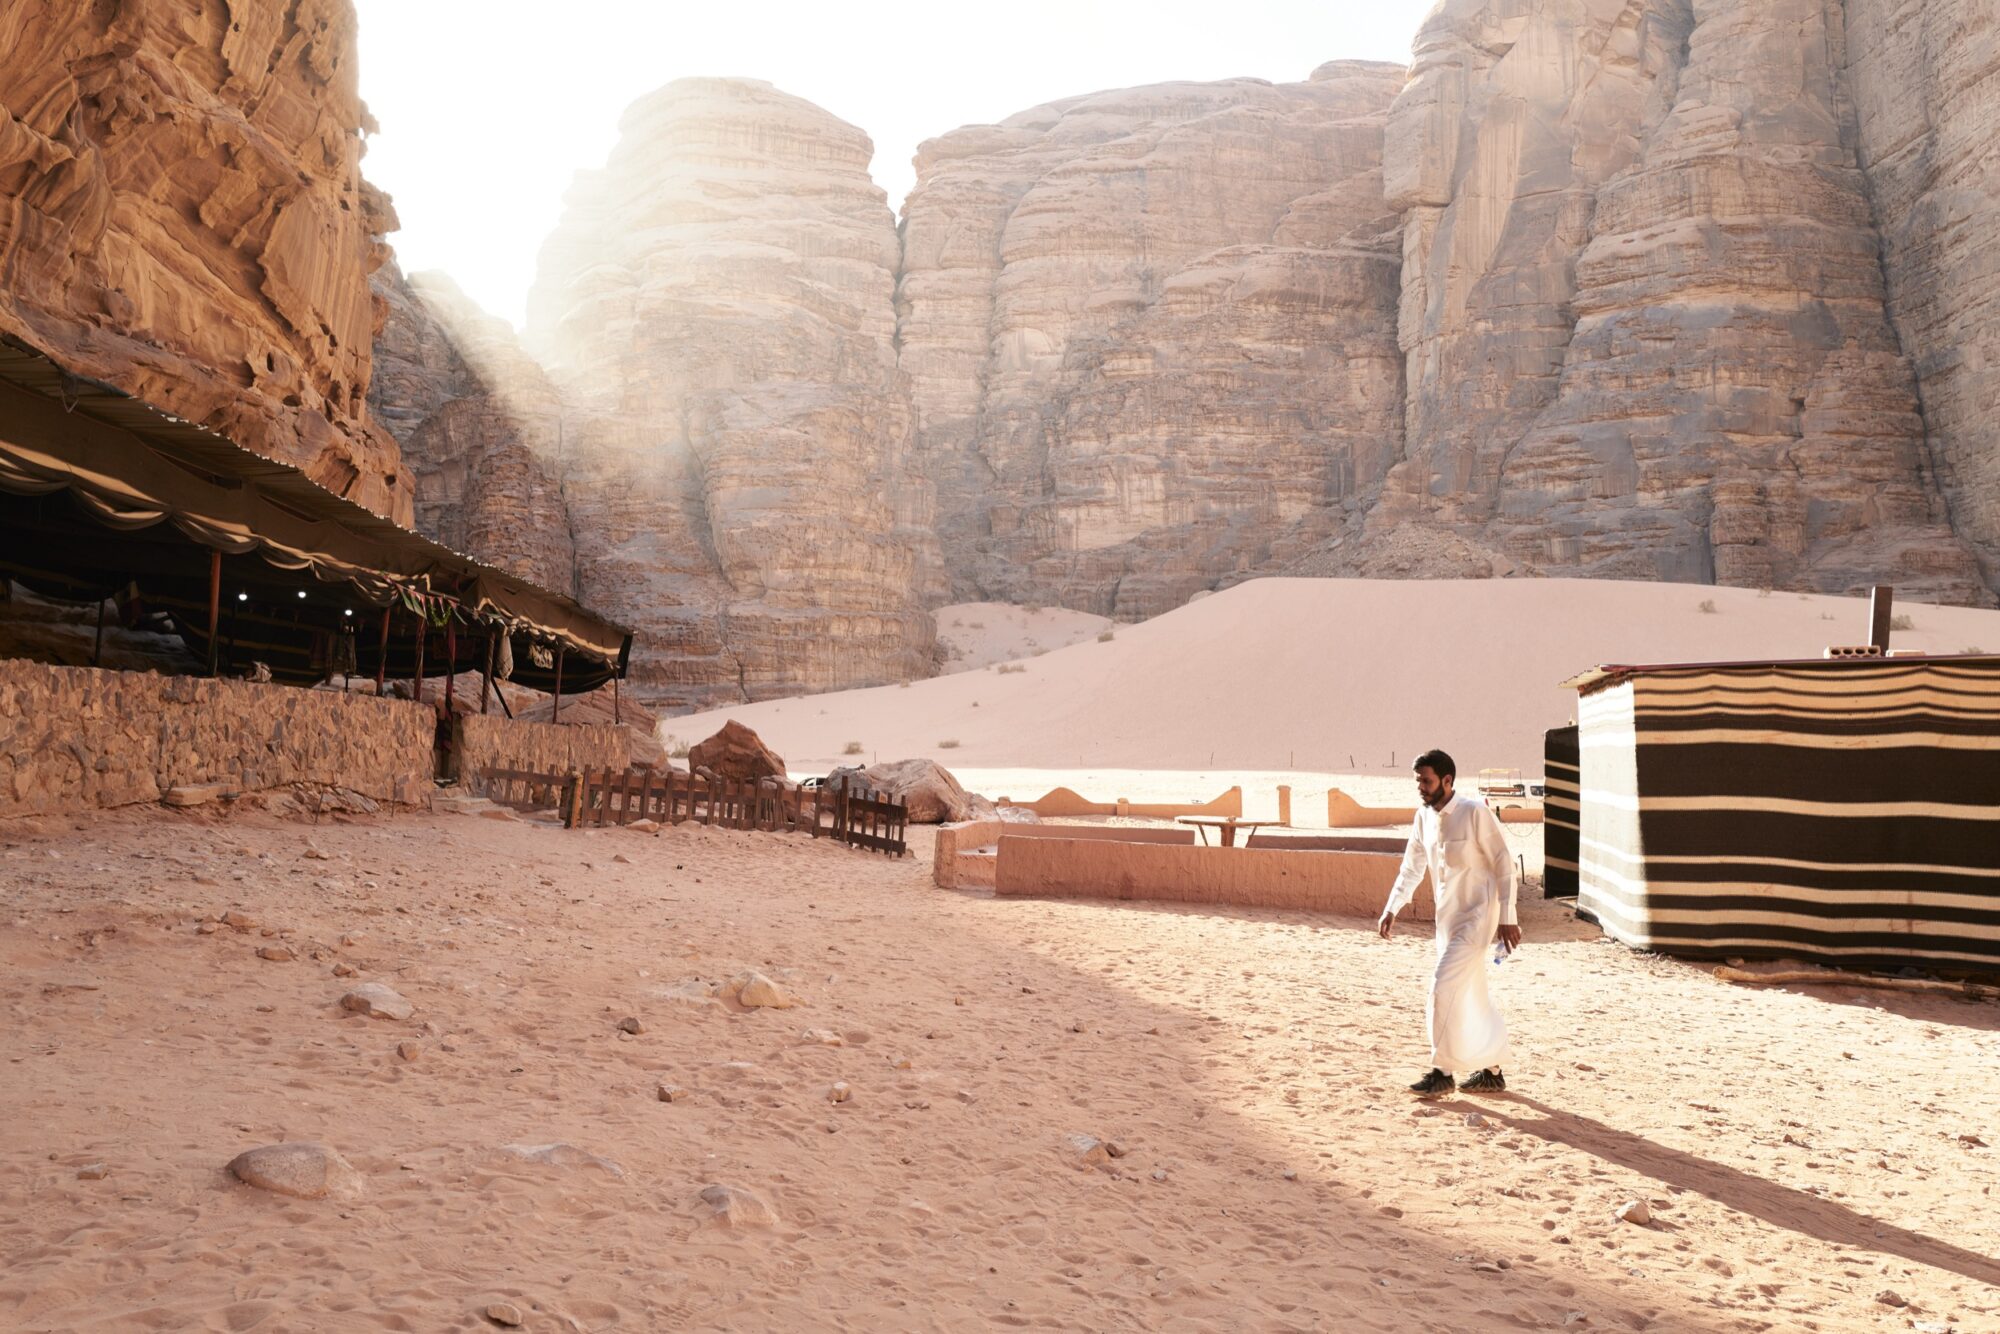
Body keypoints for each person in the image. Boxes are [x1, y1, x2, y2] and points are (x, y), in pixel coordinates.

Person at [1376, 748, 1521, 1098]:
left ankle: (1441, 1072)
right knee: (1470, 992)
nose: (1421, 788)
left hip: (1478, 916)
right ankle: (1493, 1071)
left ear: (1447, 780)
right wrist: (1392, 906)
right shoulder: (1422, 818)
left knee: (1442, 986)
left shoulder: (1474, 813)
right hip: (1447, 919)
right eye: (1418, 782)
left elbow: (1504, 864)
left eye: (1425, 781)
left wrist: (1507, 917)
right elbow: (1411, 867)